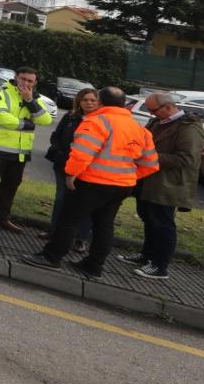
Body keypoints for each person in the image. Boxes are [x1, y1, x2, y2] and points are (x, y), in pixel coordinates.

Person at [21, 87, 157, 278]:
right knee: (104, 225)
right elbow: (151, 163)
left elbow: (82, 153)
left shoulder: (96, 122)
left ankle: (51, 257)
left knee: (69, 219)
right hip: (122, 186)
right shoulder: (138, 128)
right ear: (124, 103)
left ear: (100, 101)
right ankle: (94, 266)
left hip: (93, 182)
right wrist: (128, 177)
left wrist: (71, 174)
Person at [125, 91, 203, 279]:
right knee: (148, 219)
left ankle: (160, 266)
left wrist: (148, 157)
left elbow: (186, 159)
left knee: (162, 224)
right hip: (147, 180)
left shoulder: (188, 127)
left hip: (167, 185)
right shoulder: (157, 122)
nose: (152, 114)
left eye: (154, 110)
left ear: (169, 106)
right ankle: (147, 255)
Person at [0, 66, 53, 232]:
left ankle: (2, 217)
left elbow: (46, 120)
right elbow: (0, 116)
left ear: (35, 82)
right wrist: (26, 124)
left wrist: (30, 101)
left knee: (10, 186)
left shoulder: (34, 98)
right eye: (23, 79)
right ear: (16, 77)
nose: (25, 83)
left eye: (30, 81)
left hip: (20, 152)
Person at [41, 87, 98, 253]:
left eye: (92, 100)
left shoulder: (99, 120)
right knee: (61, 200)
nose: (89, 103)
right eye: (85, 100)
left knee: (84, 205)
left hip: (87, 170)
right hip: (63, 165)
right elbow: (56, 136)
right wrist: (58, 152)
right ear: (79, 101)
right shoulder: (70, 117)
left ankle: (80, 238)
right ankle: (54, 231)